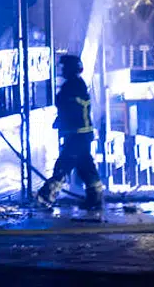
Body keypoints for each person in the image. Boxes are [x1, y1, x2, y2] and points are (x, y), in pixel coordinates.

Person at [36, 54, 104, 210]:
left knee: (63, 165)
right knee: (86, 167)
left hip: (76, 135)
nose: (62, 70)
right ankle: (95, 198)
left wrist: (61, 121)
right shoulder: (77, 85)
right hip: (81, 134)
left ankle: (46, 197)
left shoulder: (71, 87)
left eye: (64, 67)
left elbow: (68, 108)